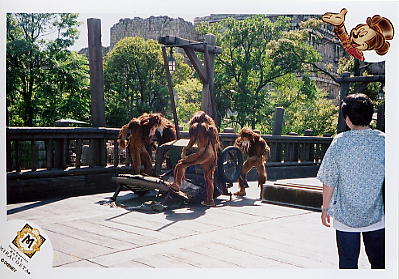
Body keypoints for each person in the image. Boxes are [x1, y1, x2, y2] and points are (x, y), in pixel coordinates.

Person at [317, 93, 385, 269]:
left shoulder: (339, 142)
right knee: (380, 264)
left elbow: (329, 180)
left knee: (347, 264)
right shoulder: (384, 141)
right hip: (377, 215)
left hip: (345, 216)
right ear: (370, 115)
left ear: (346, 118)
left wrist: (325, 208)